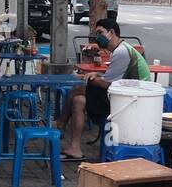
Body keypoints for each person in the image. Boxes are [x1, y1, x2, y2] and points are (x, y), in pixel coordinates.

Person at [57, 18, 149, 160]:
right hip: (123, 96)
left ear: (111, 32)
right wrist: (97, 74)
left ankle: (60, 124)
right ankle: (75, 148)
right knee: (78, 101)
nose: (98, 37)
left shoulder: (122, 52)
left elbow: (106, 83)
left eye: (100, 32)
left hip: (130, 102)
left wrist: (87, 78)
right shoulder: (119, 50)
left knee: (78, 88)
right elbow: (113, 76)